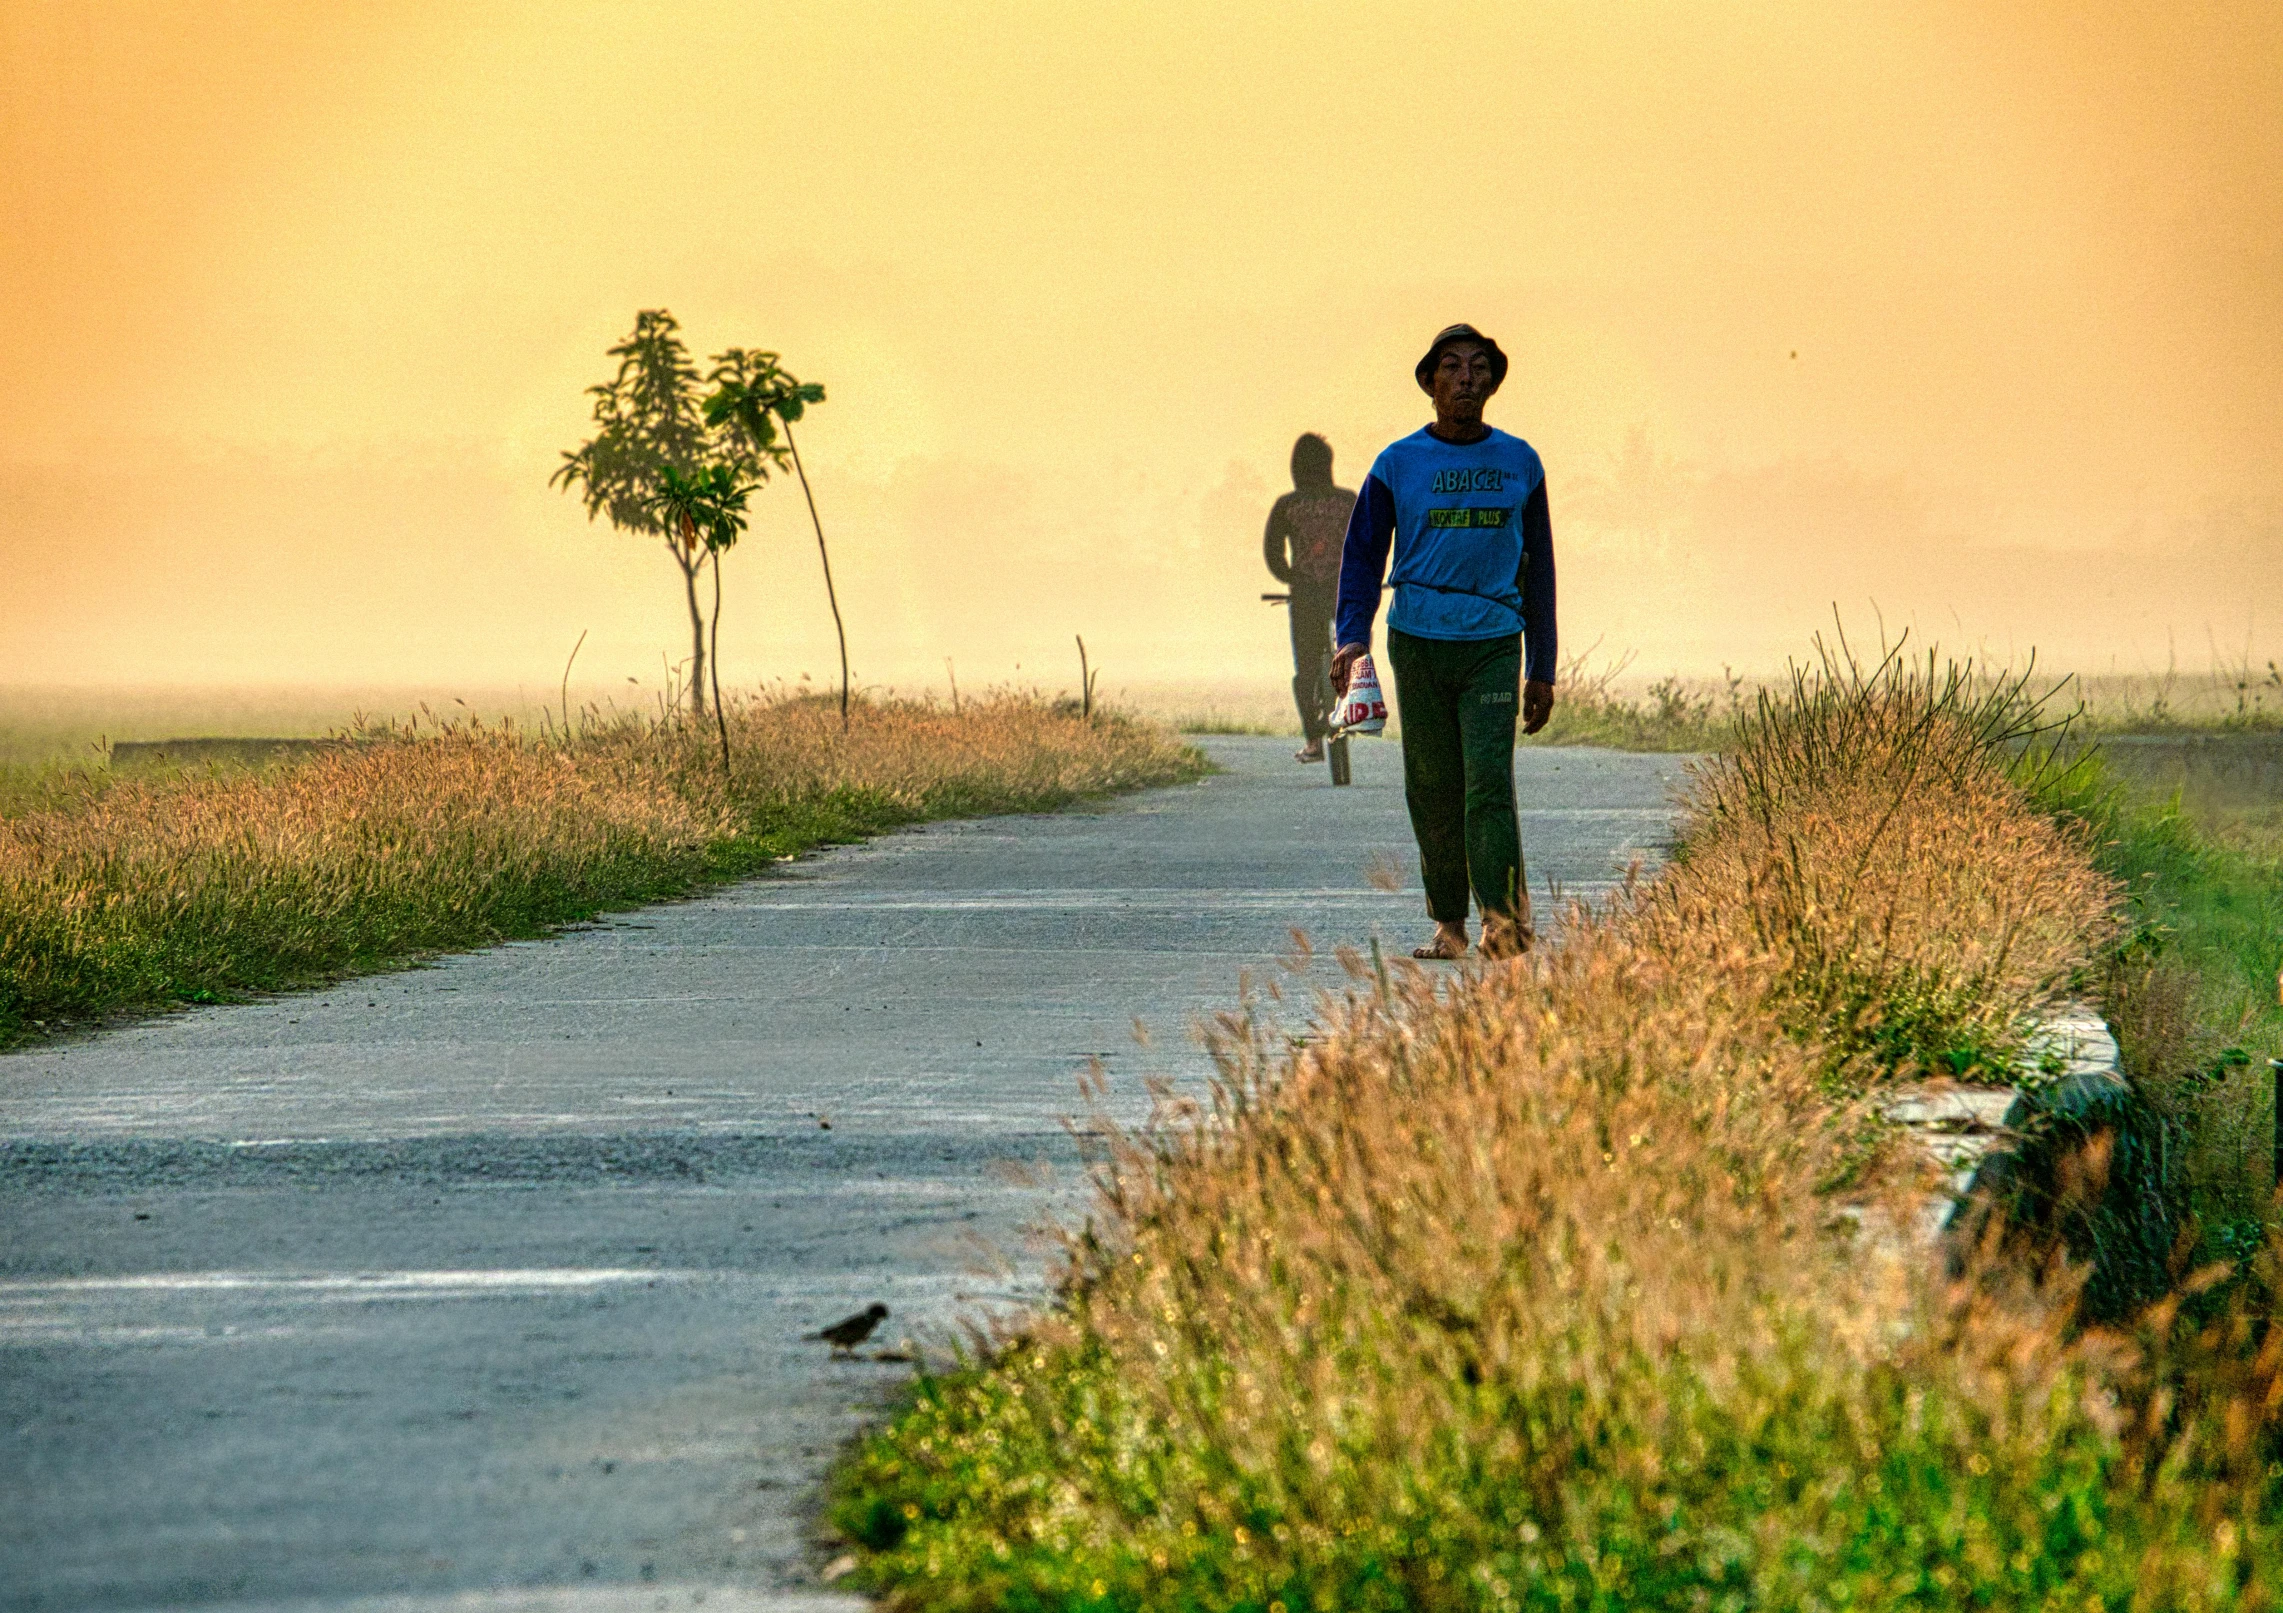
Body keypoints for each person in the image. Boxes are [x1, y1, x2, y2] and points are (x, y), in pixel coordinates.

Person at [1332, 324, 1556, 960]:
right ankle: (1450, 927)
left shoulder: (1521, 462)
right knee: (1431, 785)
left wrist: (1543, 666)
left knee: (1487, 782)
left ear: (1492, 381)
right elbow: (1362, 558)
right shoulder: (1397, 463)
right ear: (1429, 383)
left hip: (1492, 642)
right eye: (1451, 367)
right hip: (1419, 641)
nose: (1465, 377)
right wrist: (1351, 639)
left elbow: (1539, 570)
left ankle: (1504, 923)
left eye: (1478, 367)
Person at [1262, 433, 1357, 762]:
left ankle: (1314, 742)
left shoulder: (1287, 505)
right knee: (1354, 650)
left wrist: (1292, 579)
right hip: (1344, 592)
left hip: (1305, 596)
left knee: (1305, 670)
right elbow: (1367, 542)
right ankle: (1354, 701)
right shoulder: (1349, 501)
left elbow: (1273, 554)